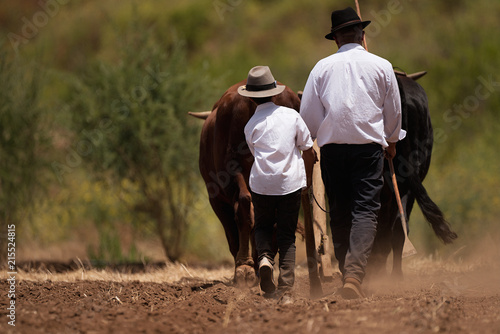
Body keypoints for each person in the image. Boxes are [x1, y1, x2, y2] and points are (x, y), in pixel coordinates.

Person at [300, 7, 406, 299]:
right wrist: (393, 140)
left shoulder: (320, 68)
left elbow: (308, 117)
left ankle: (350, 272)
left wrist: (317, 139)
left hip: (333, 150)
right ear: (362, 35)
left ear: (335, 39)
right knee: (365, 210)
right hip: (369, 150)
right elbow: (394, 111)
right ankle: (355, 275)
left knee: (340, 210)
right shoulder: (382, 65)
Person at [239, 66, 316, 301]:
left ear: (251, 98)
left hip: (261, 184)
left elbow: (255, 153)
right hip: (289, 184)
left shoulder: (250, 126)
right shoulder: (292, 116)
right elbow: (308, 149)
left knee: (261, 227)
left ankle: (264, 258)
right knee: (286, 236)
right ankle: (286, 290)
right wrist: (308, 180)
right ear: (275, 93)